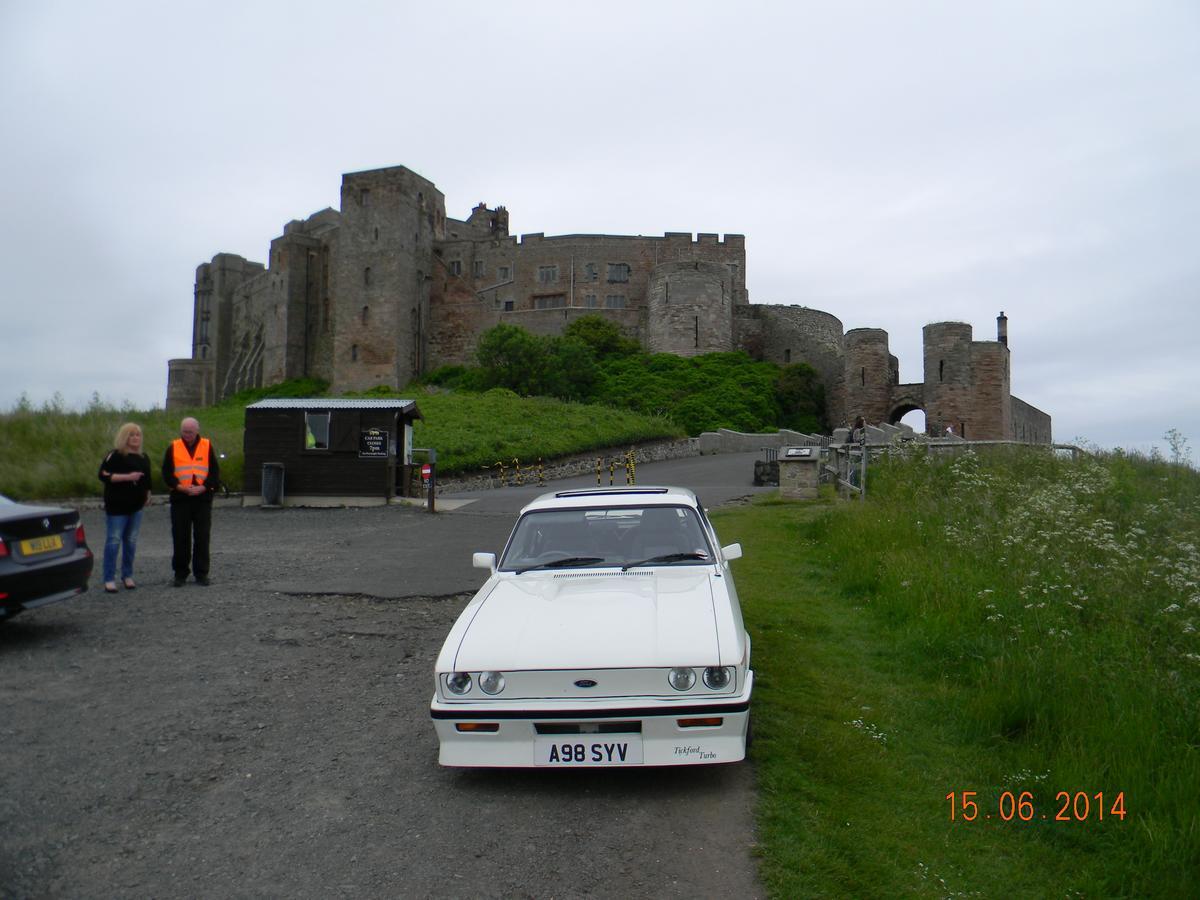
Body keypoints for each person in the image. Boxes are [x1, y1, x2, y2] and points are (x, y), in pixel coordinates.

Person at [162, 416, 220, 587]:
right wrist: (180, 487)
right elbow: (167, 473)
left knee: (202, 537)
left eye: (190, 432)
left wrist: (204, 487)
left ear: (197, 430)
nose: (187, 435)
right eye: (184, 431)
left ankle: (201, 573)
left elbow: (215, 473)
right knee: (180, 537)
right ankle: (180, 573)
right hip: (181, 498)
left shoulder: (207, 446)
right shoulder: (173, 447)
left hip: (202, 499)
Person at [97, 423, 152, 593]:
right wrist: (127, 477)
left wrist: (148, 495)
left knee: (131, 541)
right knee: (114, 541)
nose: (135, 438)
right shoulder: (115, 455)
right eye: (131, 435)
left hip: (136, 506)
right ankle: (109, 578)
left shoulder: (144, 457)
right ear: (124, 437)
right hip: (117, 505)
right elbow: (103, 475)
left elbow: (147, 480)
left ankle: (127, 574)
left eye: (138, 435)